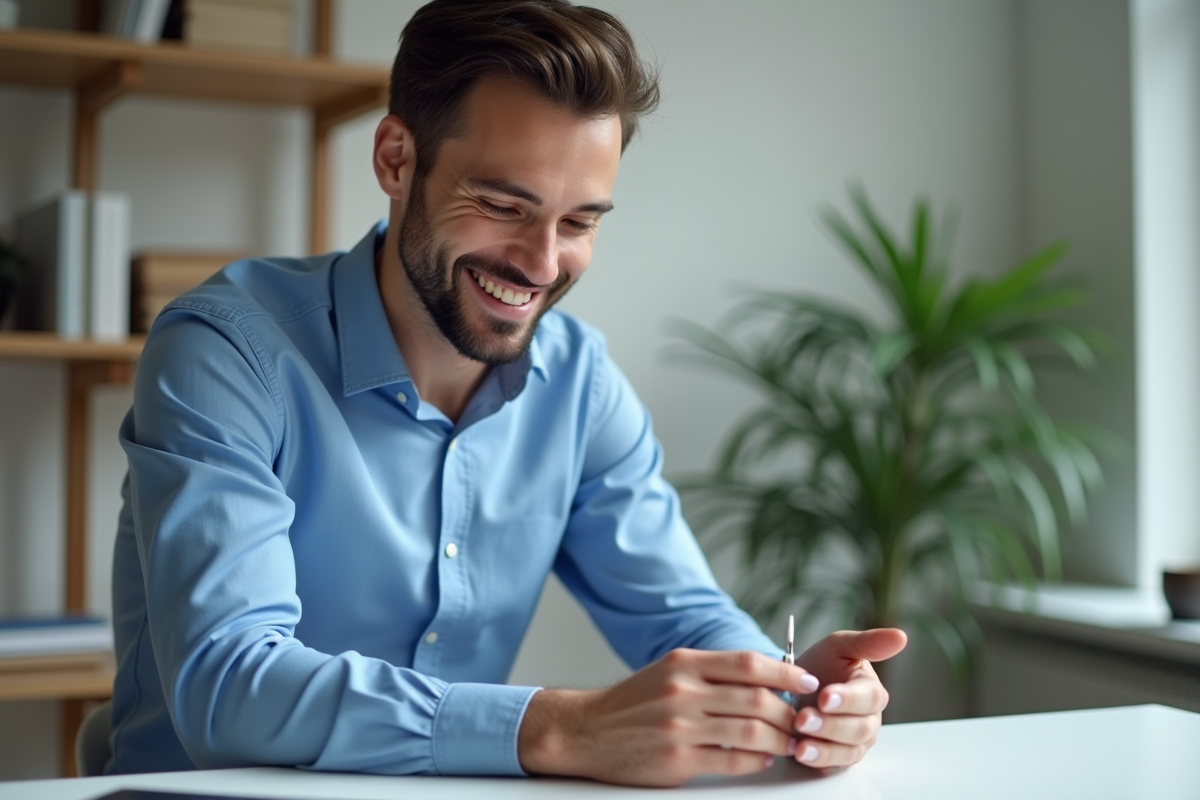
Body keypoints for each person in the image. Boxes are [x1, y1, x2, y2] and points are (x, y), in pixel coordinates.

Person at [109, 0, 907, 786]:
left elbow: (684, 616)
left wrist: (794, 692)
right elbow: (228, 686)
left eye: (580, 223)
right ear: (395, 159)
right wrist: (559, 727)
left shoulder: (580, 384)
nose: (542, 262)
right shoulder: (225, 352)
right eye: (502, 205)